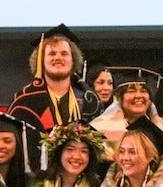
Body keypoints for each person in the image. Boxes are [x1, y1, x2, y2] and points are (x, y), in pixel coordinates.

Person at [8, 24, 102, 167]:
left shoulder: (90, 101)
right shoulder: (24, 102)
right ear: (40, 61)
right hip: (35, 181)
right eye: (52, 54)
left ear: (73, 60)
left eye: (64, 53)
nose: (58, 58)